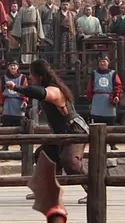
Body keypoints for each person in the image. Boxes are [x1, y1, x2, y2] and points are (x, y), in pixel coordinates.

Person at [8, 59, 89, 204]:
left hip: (74, 130)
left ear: (39, 75)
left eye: (32, 75)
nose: (31, 78)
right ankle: (48, 190)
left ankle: (93, 190)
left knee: (70, 162)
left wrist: (16, 88)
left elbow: (40, 93)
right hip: (60, 132)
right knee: (44, 156)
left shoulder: (54, 90)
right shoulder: (48, 89)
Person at [86, 55, 123, 150]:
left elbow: (118, 86)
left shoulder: (113, 74)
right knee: (97, 123)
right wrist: (90, 100)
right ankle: (98, 143)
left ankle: (112, 143)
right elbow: (90, 88)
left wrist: (117, 96)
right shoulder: (94, 74)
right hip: (97, 99)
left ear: (108, 63)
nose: (102, 63)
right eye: (101, 61)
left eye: (104, 61)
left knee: (111, 124)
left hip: (108, 99)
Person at [0, 60, 28, 151]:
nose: (13, 67)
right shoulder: (3, 78)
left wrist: (25, 100)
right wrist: (0, 105)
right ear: (8, 67)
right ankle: (5, 145)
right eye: (11, 65)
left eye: (14, 65)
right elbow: (0, 92)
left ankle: (22, 145)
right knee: (6, 125)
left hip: (19, 103)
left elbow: (26, 90)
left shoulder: (22, 78)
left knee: (20, 126)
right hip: (8, 103)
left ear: (17, 67)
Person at [10, 0, 44, 64]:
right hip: (24, 31)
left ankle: (34, 61)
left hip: (33, 31)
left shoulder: (35, 9)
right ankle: (25, 61)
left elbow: (38, 22)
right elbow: (18, 21)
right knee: (25, 47)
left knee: (34, 47)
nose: (29, 1)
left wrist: (40, 35)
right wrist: (18, 33)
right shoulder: (22, 9)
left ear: (33, 0)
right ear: (26, 0)